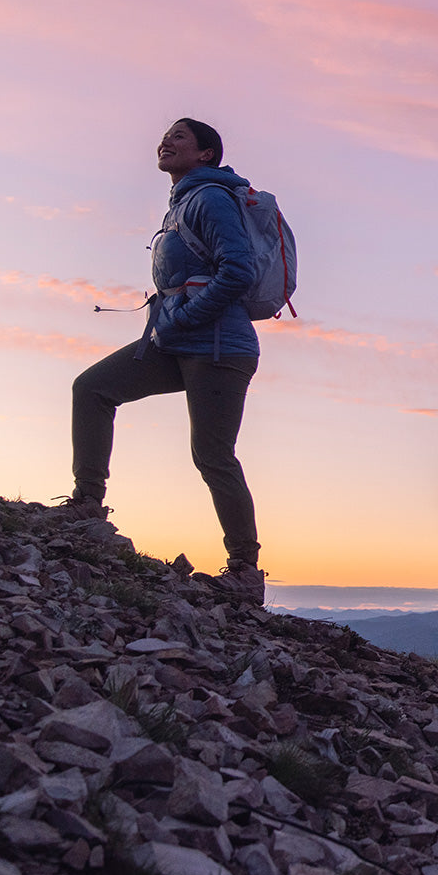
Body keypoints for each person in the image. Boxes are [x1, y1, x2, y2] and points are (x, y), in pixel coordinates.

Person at [66, 119, 265, 604]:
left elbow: (238, 270)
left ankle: (244, 571)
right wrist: (173, 325)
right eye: (165, 135)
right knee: (91, 389)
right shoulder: (181, 203)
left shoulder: (210, 198)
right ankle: (87, 503)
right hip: (176, 341)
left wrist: (186, 318)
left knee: (213, 456)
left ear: (205, 153)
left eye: (180, 136)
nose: (166, 141)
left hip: (220, 347)